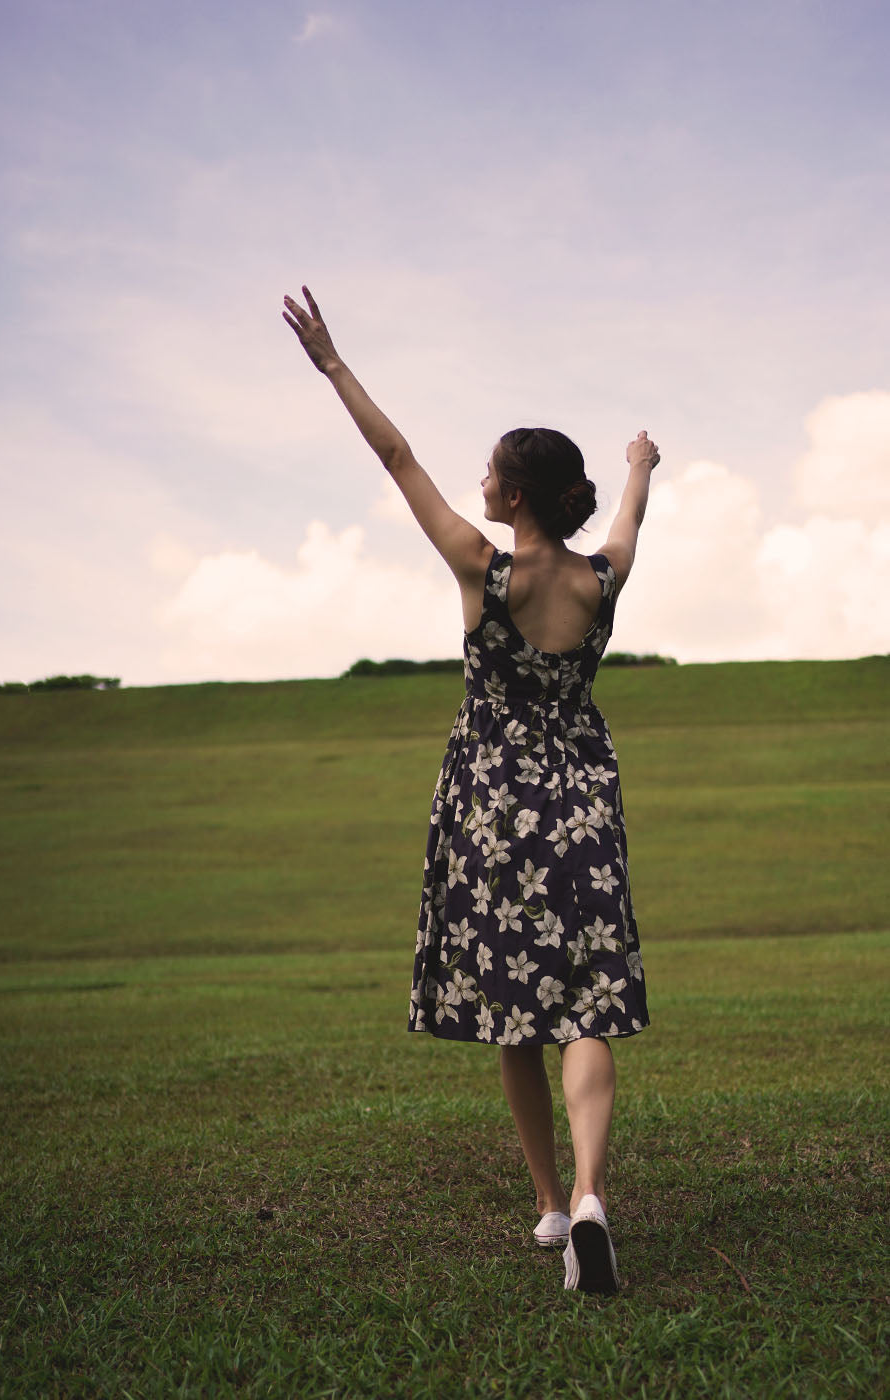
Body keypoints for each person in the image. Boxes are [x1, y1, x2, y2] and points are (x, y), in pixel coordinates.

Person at [283, 286, 660, 1295]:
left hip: (491, 805)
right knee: (585, 1001)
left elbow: (393, 456)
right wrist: (636, 465)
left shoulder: (478, 568)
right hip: (580, 799)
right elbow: (626, 521)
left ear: (516, 495)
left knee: (513, 1010)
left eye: (491, 469)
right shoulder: (599, 583)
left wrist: (331, 364)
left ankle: (546, 1204)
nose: (477, 478)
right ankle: (587, 1195)